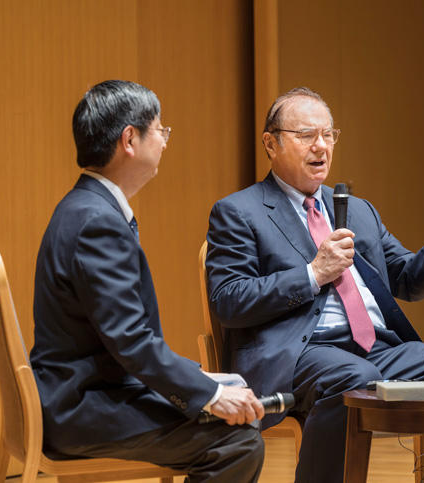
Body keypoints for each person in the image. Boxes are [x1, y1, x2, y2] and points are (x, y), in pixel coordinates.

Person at [205, 87, 424, 482]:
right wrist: (313, 274)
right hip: (300, 353)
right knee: (353, 378)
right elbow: (229, 300)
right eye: (307, 135)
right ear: (271, 144)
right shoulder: (239, 212)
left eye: (328, 135)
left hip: (378, 350)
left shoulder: (358, 210)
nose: (321, 146)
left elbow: (407, 280)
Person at [30, 80, 264, 481]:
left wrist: (197, 381)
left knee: (229, 410)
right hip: (81, 407)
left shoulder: (85, 207)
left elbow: (123, 341)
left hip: (80, 393)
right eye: (160, 130)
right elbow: (132, 341)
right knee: (236, 441)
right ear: (129, 140)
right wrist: (209, 394)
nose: (165, 141)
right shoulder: (97, 222)